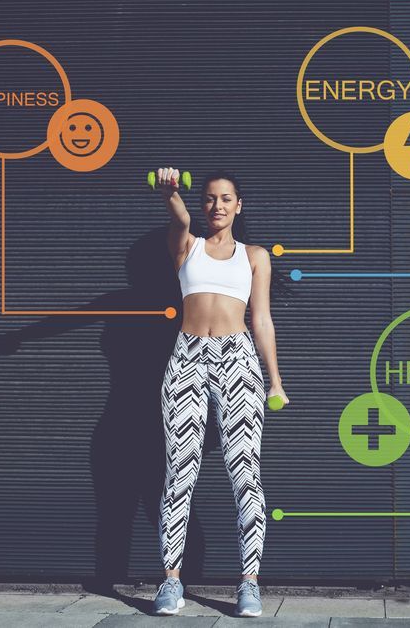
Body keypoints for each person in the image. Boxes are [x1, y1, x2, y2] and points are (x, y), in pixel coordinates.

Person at [150, 167, 289, 617]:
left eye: (226, 198)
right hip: (187, 358)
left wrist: (275, 380)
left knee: (245, 474)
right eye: (210, 198)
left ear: (238, 205)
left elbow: (261, 319)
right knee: (179, 473)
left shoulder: (254, 256)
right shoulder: (186, 246)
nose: (217, 206)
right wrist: (171, 191)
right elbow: (178, 219)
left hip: (238, 360)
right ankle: (171, 582)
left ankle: (249, 583)